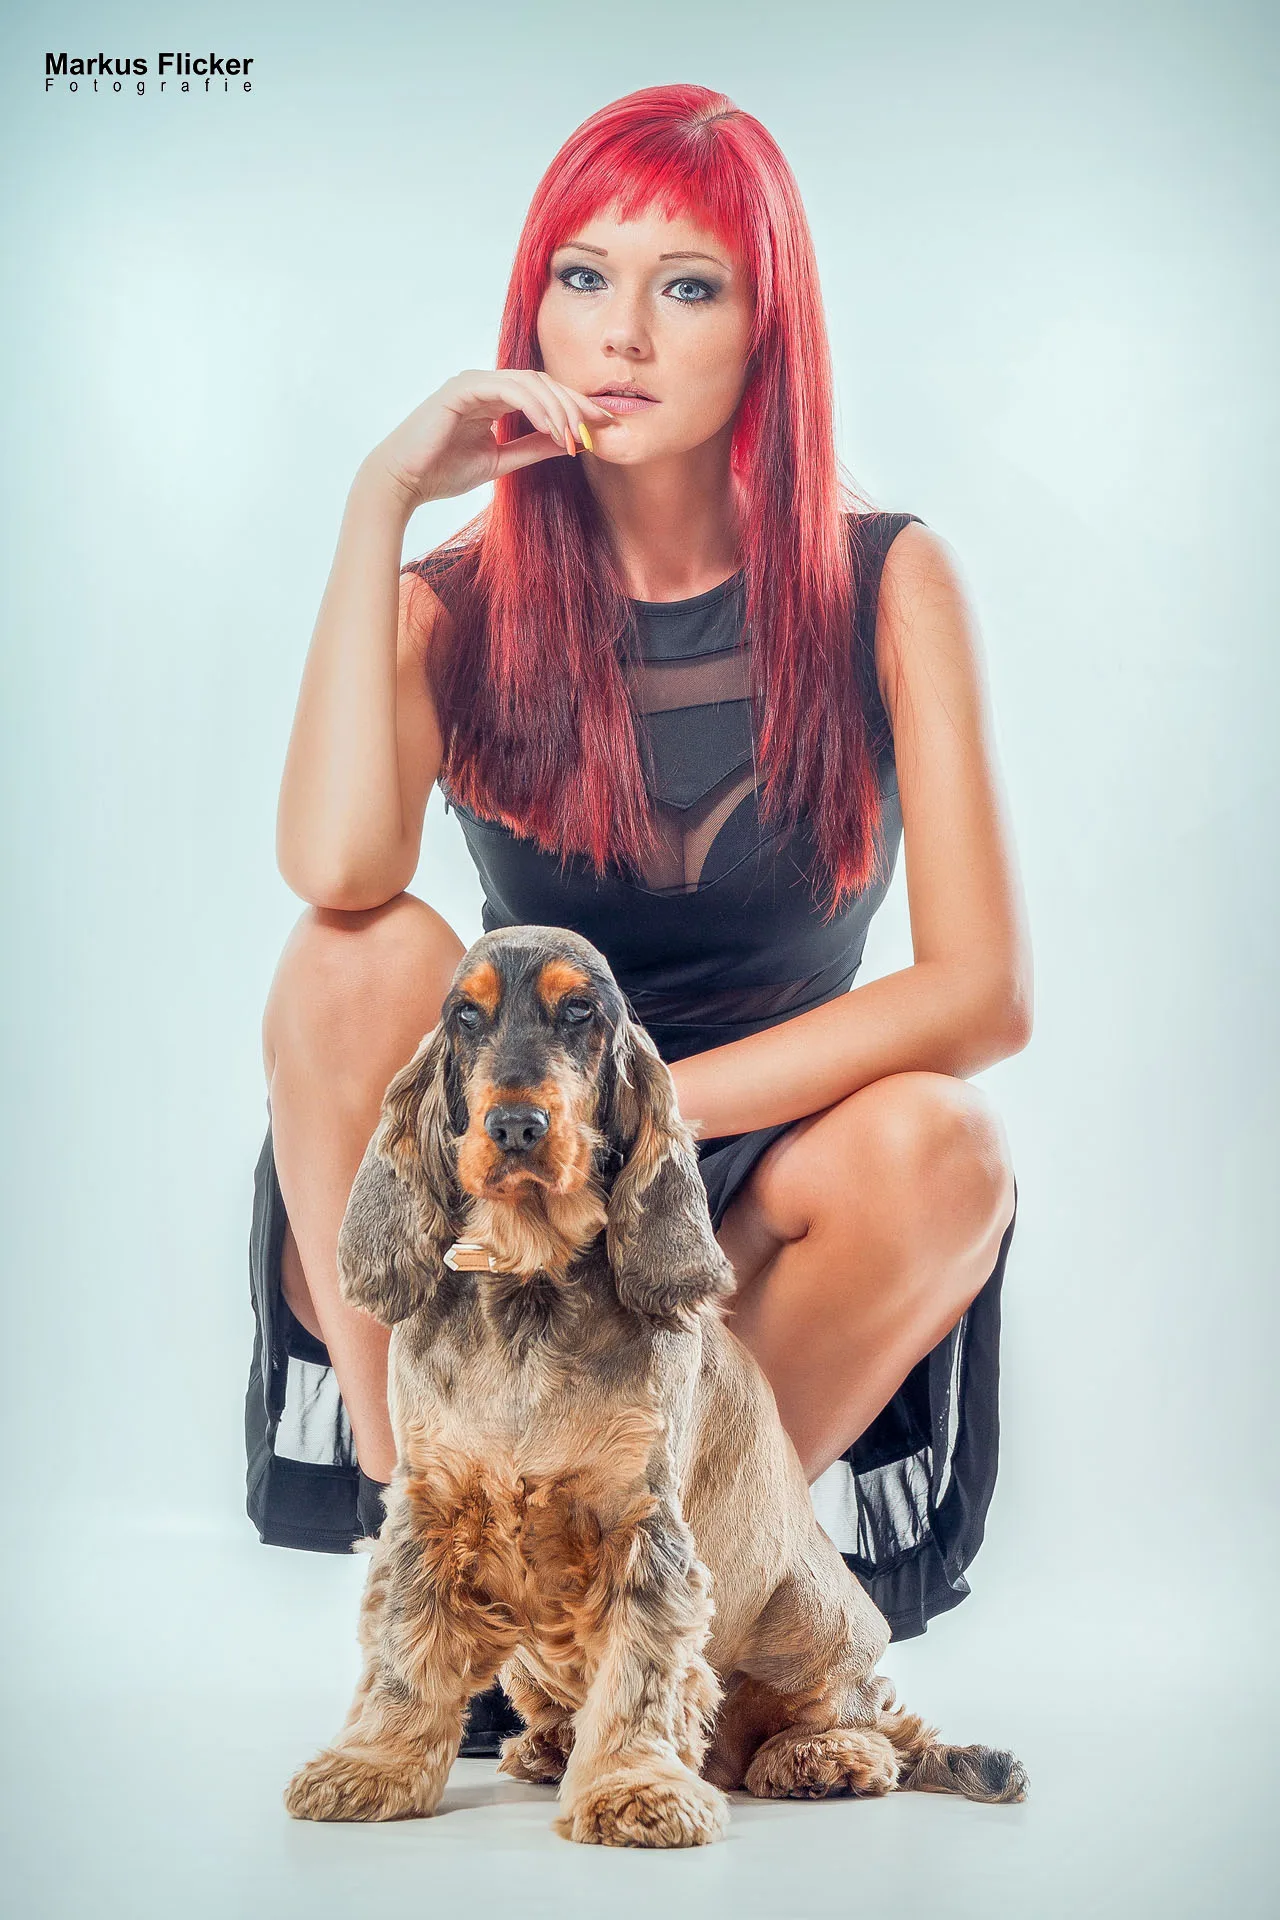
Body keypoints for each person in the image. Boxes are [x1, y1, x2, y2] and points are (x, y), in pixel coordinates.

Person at [245, 83, 1031, 1757]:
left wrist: (652, 1112)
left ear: (768, 328)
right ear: (531, 311)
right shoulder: (459, 605)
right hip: (506, 1175)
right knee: (351, 955)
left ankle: (666, 1610)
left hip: (742, 1193)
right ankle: (441, 1572)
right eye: (583, 277)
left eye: (688, 285)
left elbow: (983, 992)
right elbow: (332, 865)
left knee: (946, 1144)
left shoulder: (887, 581)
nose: (622, 332)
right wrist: (383, 497)